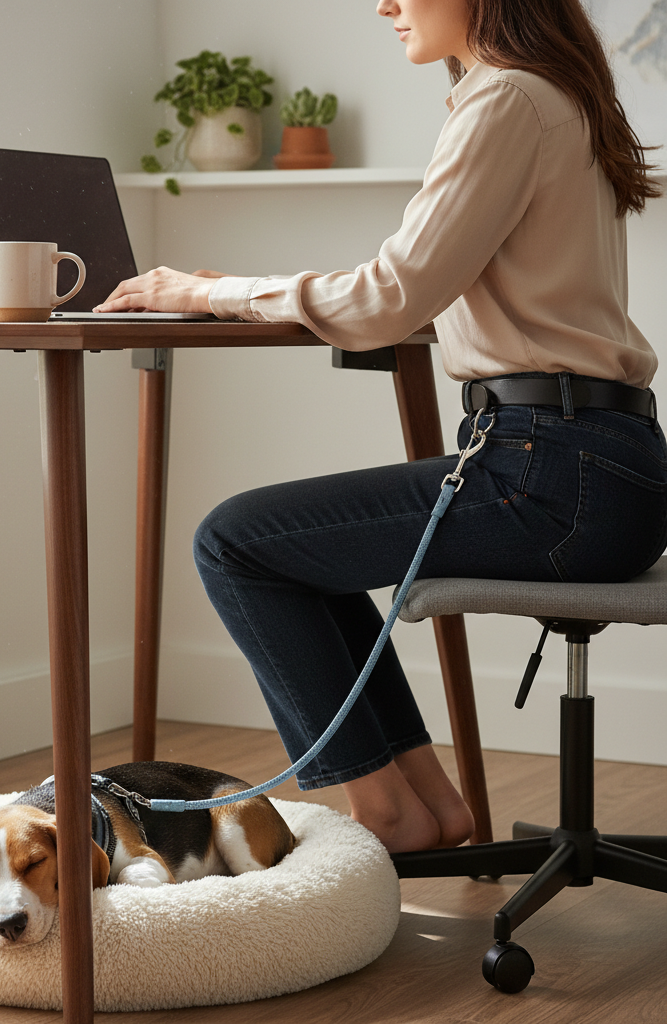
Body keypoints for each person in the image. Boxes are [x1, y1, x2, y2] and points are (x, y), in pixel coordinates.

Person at [96, 0, 667, 853]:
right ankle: (430, 810)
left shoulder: (505, 100)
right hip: (608, 469)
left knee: (235, 543)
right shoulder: (553, 96)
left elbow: (387, 298)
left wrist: (209, 293)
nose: (385, 4)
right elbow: (424, 294)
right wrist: (254, 290)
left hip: (553, 473)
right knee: (302, 554)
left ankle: (389, 813)